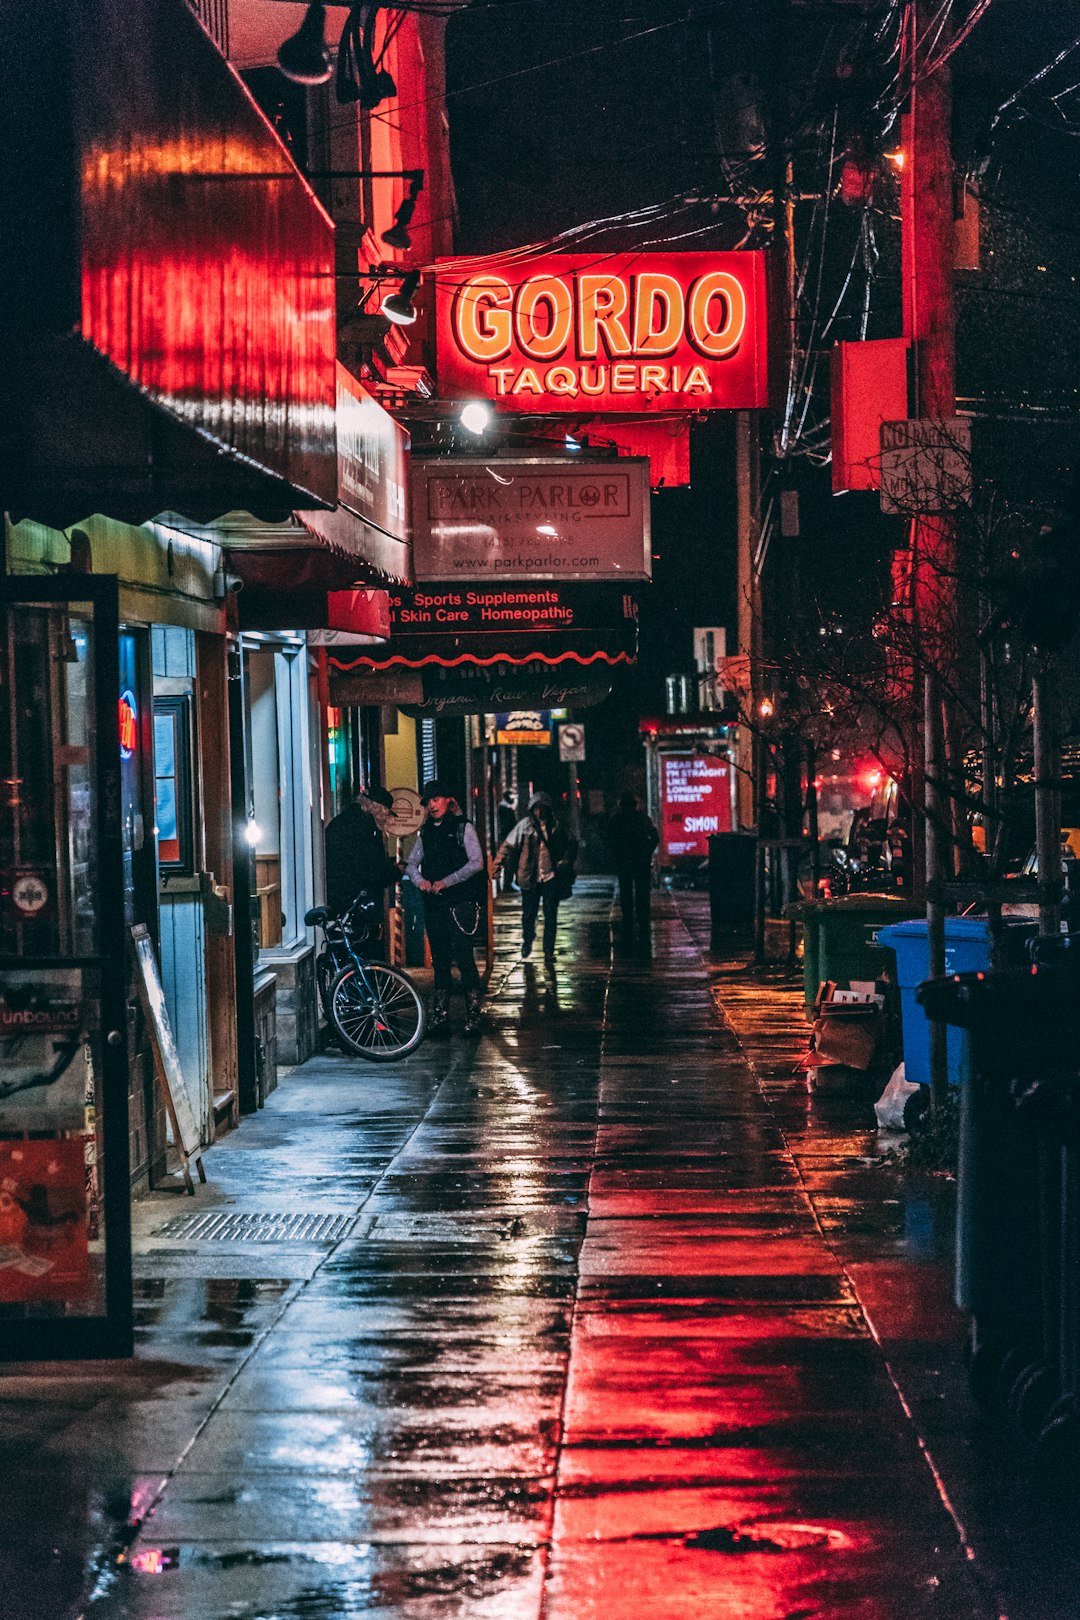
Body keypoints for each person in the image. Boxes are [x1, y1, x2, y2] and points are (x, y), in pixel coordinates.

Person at [404, 779, 486, 1037]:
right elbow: (411, 863)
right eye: (428, 801)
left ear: (449, 801)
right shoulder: (426, 832)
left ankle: (473, 1016)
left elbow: (477, 863)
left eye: (436, 800)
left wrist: (446, 882)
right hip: (435, 904)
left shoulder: (463, 828)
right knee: (439, 960)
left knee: (464, 958)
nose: (432, 805)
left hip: (460, 903)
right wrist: (421, 882)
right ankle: (440, 1017)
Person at [493, 792, 577, 964]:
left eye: (542, 808)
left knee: (550, 914)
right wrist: (496, 865)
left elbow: (571, 843)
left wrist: (565, 861)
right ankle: (527, 939)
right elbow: (507, 846)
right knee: (529, 914)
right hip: (529, 877)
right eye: (536, 808)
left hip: (550, 877)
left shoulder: (557, 827)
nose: (539, 812)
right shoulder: (524, 826)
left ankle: (548, 950)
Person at [324, 784, 398, 918]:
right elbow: (372, 871)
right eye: (387, 812)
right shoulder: (366, 829)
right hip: (357, 903)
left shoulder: (341, 821)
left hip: (335, 897)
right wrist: (396, 872)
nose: (387, 818)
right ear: (379, 809)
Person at [607, 791, 660, 947]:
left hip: (624, 862)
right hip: (640, 862)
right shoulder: (642, 819)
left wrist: (616, 855)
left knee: (626, 893)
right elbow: (655, 838)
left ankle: (628, 920)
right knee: (642, 893)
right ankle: (643, 921)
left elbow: (610, 840)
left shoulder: (617, 820)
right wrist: (646, 852)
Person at [496, 788, 518, 892]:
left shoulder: (505, 807)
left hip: (508, 837)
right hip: (507, 837)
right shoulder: (504, 808)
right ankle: (507, 885)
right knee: (509, 861)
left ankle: (508, 884)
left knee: (510, 861)